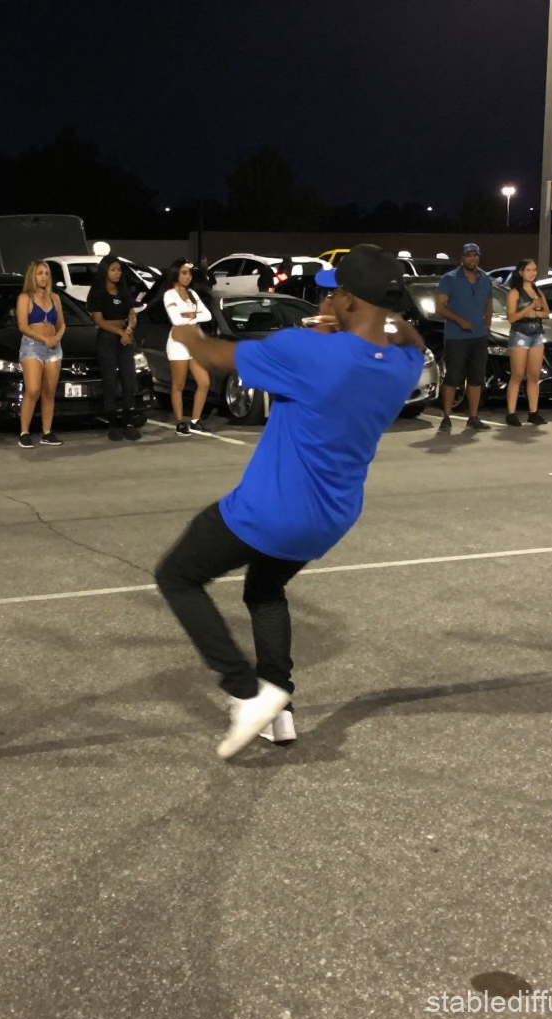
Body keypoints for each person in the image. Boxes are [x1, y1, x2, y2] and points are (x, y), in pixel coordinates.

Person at [154, 245, 426, 759]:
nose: (326, 298)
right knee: (263, 590)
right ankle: (279, 710)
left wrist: (185, 332)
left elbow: (216, 354)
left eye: (333, 291)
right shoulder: (402, 365)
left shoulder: (306, 351)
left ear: (346, 299)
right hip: (331, 518)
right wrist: (386, 322)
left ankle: (247, 692)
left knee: (177, 576)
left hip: (272, 511)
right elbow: (409, 338)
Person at [435, 243, 494, 431]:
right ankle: (446, 417)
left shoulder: (485, 279)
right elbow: (440, 307)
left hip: (479, 336)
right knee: (453, 377)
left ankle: (473, 417)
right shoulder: (449, 279)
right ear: (462, 258)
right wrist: (459, 321)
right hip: (456, 337)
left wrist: (487, 324)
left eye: (475, 255)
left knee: (477, 378)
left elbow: (489, 304)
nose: (472, 259)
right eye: (468, 255)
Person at [86, 254, 142, 441]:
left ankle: (128, 422)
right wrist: (119, 333)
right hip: (108, 338)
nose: (117, 273)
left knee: (129, 377)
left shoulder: (124, 292)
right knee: (109, 379)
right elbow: (99, 320)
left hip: (125, 337)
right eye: (113, 269)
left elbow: (132, 315)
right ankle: (112, 424)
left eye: (119, 270)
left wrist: (128, 329)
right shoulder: (97, 293)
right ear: (105, 271)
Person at [161, 259, 214, 435]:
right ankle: (179, 422)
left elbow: (207, 315)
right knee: (179, 384)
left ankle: (195, 421)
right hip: (179, 343)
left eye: (189, 273)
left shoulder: (192, 293)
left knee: (204, 381)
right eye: (184, 273)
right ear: (176, 273)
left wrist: (190, 315)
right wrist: (194, 315)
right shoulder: (170, 294)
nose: (188, 277)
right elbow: (176, 320)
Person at [16, 260, 65, 448]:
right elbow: (22, 326)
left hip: (53, 347)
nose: (43, 276)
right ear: (32, 275)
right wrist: (44, 339)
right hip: (32, 346)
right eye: (39, 273)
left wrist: (56, 337)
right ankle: (24, 432)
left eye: (46, 273)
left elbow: (61, 324)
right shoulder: (25, 298)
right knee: (33, 389)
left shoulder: (55, 298)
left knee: (49, 391)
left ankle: (46, 432)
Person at [504, 258, 550, 426]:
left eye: (534, 270)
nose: (533, 273)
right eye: (529, 270)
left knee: (534, 375)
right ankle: (511, 412)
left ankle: (533, 411)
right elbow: (511, 317)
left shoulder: (538, 291)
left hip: (536, 334)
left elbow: (547, 313)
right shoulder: (515, 292)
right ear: (521, 272)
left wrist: (536, 314)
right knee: (517, 375)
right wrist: (530, 308)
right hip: (520, 334)